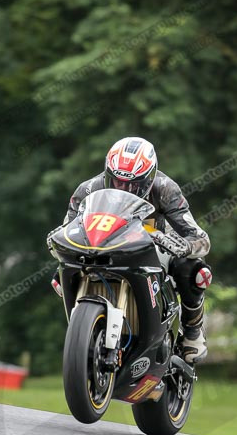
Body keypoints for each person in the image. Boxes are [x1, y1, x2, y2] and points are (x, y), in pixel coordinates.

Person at [53, 137, 212, 362]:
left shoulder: (165, 189)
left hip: (151, 246)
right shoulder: (88, 189)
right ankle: (86, 333)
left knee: (194, 270)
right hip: (102, 245)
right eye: (116, 181)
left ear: (150, 177)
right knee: (59, 274)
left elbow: (201, 239)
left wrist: (183, 246)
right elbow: (68, 228)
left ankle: (192, 332)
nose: (123, 188)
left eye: (133, 184)